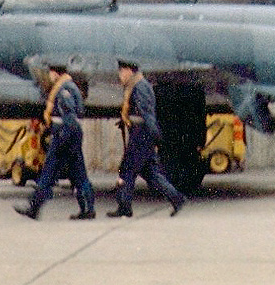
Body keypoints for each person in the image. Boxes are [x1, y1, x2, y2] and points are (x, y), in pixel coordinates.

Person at [14, 64, 96, 221]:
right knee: (79, 173)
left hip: (64, 135)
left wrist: (62, 137)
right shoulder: (69, 86)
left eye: (51, 73)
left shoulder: (64, 89)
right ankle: (88, 208)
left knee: (48, 172)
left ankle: (34, 208)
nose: (50, 76)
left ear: (56, 73)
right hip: (70, 134)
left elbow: (69, 116)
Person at [108, 59, 185, 218]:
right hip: (140, 133)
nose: (120, 75)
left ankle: (125, 208)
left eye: (121, 71)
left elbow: (146, 114)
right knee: (150, 173)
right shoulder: (134, 86)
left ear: (129, 70)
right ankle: (177, 198)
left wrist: (154, 136)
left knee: (127, 169)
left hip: (142, 135)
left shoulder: (140, 87)